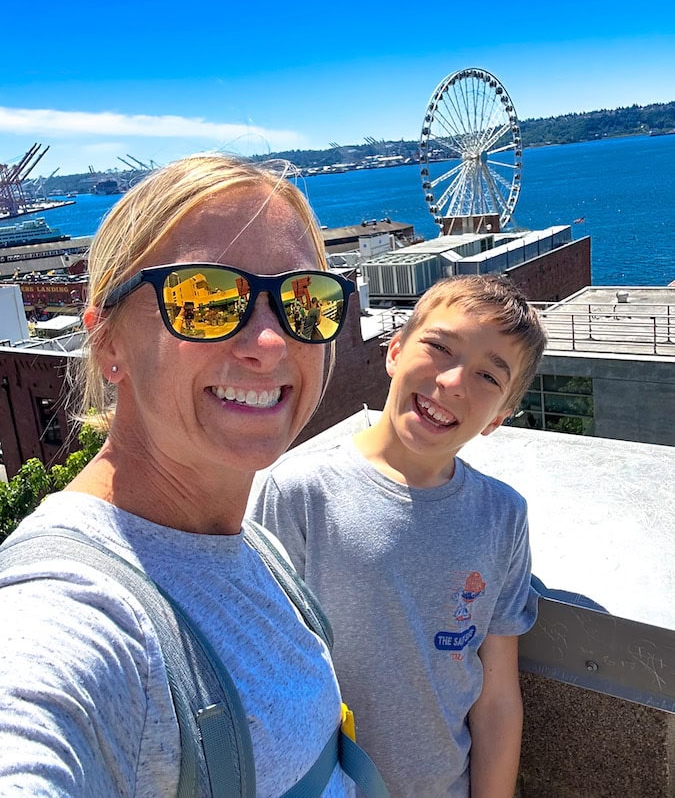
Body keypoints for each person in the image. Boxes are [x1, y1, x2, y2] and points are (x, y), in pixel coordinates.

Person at [0, 154, 359, 796]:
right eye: (205, 299)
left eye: (307, 300)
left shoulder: (251, 540)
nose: (271, 342)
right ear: (108, 343)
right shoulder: (79, 606)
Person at [251, 274, 548, 797]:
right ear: (394, 350)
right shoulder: (299, 493)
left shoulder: (503, 516)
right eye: (439, 346)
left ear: (498, 417)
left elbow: (497, 694)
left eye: (487, 377)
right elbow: (262, 673)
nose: (454, 382)